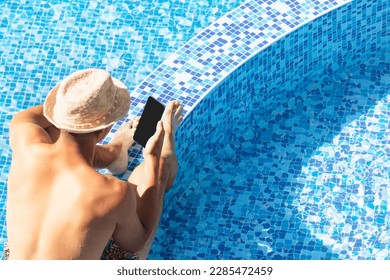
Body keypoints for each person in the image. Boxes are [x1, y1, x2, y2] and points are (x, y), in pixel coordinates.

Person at [5, 68, 183, 260]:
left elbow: (36, 119)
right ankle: (162, 147)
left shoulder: (25, 141)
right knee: (155, 170)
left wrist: (75, 112)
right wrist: (154, 156)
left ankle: (116, 152)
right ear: (104, 129)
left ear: (58, 114)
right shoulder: (112, 193)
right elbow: (136, 241)